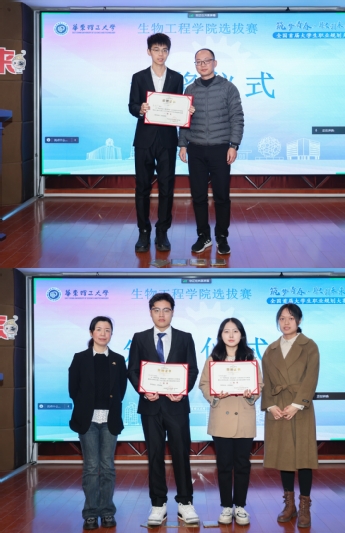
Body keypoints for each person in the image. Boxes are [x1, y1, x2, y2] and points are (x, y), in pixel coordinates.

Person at [127, 293, 200, 526]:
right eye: (157, 310)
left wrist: (183, 391)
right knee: (155, 455)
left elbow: (192, 370)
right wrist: (143, 390)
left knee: (181, 454)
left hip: (177, 406)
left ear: (173, 312)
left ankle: (185, 502)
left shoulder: (185, 338)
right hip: (150, 406)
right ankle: (158, 504)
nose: (161, 314)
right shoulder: (139, 338)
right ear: (150, 312)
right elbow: (132, 370)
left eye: (166, 310)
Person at [128, 33, 191, 253]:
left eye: (164, 50)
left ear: (168, 52)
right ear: (149, 52)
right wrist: (140, 109)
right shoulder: (138, 77)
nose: (160, 54)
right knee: (142, 188)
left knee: (166, 188)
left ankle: (162, 231)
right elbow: (132, 105)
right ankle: (143, 232)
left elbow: (179, 107)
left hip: (167, 140)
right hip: (144, 140)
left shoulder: (177, 77)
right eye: (156, 49)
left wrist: (186, 111)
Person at [179, 48, 244, 256]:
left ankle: (222, 237)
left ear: (215, 63)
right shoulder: (190, 89)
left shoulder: (228, 88)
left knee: (221, 196)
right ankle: (203, 236)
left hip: (220, 149)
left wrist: (234, 145)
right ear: (195, 65)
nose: (203, 65)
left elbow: (237, 117)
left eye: (207, 61)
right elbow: (184, 120)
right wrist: (182, 144)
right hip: (196, 149)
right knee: (198, 196)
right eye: (198, 62)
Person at [199, 318, 263, 526]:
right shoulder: (213, 359)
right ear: (221, 335)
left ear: (241, 334)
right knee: (224, 465)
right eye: (226, 331)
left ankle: (240, 506)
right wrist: (215, 396)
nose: (231, 335)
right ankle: (226, 506)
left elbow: (259, 384)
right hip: (221, 418)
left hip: (244, 417)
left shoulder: (250, 358)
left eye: (235, 331)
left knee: (243, 464)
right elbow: (204, 384)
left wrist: (251, 394)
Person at [262, 304, 320, 528]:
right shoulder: (271, 349)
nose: (286, 322)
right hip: (278, 408)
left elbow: (311, 377)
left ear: (299, 320)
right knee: (284, 457)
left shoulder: (309, 346)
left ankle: (305, 506)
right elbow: (266, 381)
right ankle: (289, 504)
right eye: (282, 318)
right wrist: (270, 406)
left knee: (304, 458)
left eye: (291, 318)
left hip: (300, 408)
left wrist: (297, 404)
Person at [68, 317, 127, 530]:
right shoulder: (80, 358)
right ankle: (91, 513)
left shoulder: (118, 359)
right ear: (91, 332)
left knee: (108, 467)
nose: (103, 333)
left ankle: (107, 511)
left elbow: (121, 389)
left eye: (107, 330)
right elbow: (73, 389)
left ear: (111, 334)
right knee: (91, 467)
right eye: (99, 329)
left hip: (110, 419)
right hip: (88, 420)